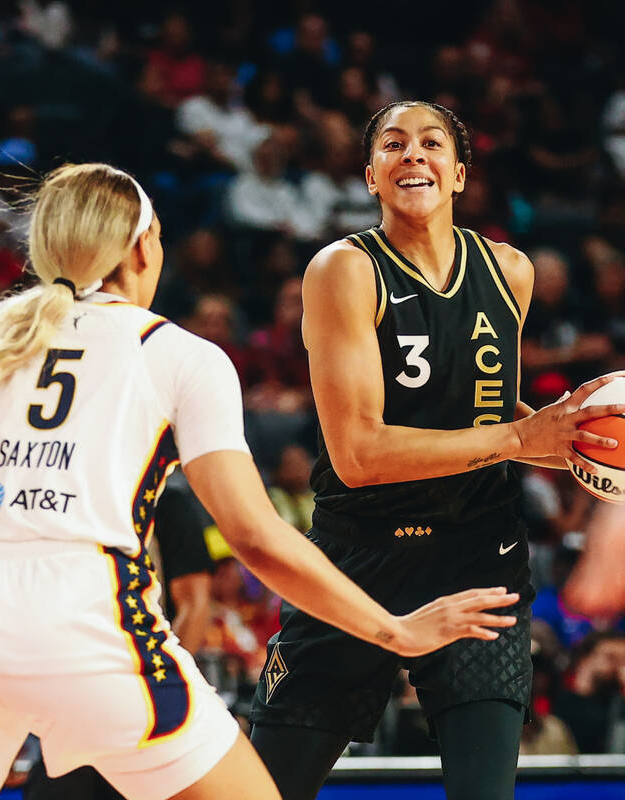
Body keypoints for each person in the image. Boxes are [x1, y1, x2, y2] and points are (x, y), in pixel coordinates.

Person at [0, 161, 522, 800]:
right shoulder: (180, 353)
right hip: (81, 611)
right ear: (142, 249)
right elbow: (253, 536)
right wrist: (395, 630)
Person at [246, 100, 625, 800]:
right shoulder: (344, 271)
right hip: (359, 559)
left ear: (458, 174)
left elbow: (482, 414)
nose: (412, 154)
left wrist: (572, 440)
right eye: (393, 145)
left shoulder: (509, 270)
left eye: (430, 144)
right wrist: (520, 437)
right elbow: (358, 452)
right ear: (370, 176)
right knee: (268, 789)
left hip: (479, 558)